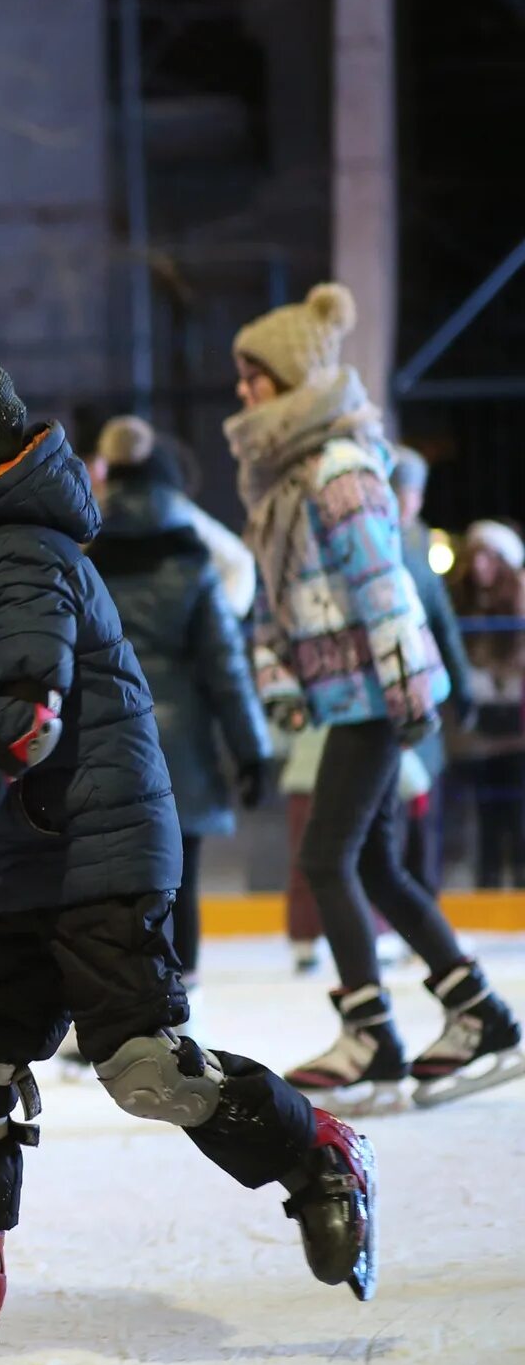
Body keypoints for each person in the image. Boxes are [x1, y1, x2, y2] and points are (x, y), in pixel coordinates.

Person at [0, 350, 374, 1362]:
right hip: (30, 855)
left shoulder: (19, 554)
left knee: (144, 1070)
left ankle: (321, 1153)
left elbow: (31, 709)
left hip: (100, 849)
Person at [226, 284, 520, 1112]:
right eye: (242, 379)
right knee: (377, 864)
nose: (243, 394)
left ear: (296, 381)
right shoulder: (287, 479)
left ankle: (372, 1035)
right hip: (345, 696)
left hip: (372, 699)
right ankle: (480, 1013)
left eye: (257, 378)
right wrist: (283, 685)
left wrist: (405, 689)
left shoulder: (339, 470)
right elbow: (280, 601)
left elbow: (383, 588)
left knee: (327, 857)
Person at [87, 415, 272, 980]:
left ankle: (119, 991)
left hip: (106, 735)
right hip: (182, 741)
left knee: (114, 873)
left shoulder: (84, 556)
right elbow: (226, 669)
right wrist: (251, 751)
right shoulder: (194, 562)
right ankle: (180, 993)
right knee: (182, 870)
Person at [388, 447, 474, 894]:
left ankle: (420, 899)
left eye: (413, 494)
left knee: (420, 813)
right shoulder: (384, 544)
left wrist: (462, 688)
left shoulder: (419, 547)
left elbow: (443, 623)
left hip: (419, 699)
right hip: (387, 702)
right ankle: (398, 908)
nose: (408, 502)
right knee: (389, 816)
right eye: (401, 492)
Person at [452, 519, 525, 890]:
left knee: (518, 812)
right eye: (475, 557)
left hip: (517, 724)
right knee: (486, 816)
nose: (480, 566)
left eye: (489, 558)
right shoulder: (465, 604)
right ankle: (489, 887)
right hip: (480, 725)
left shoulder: (519, 600)